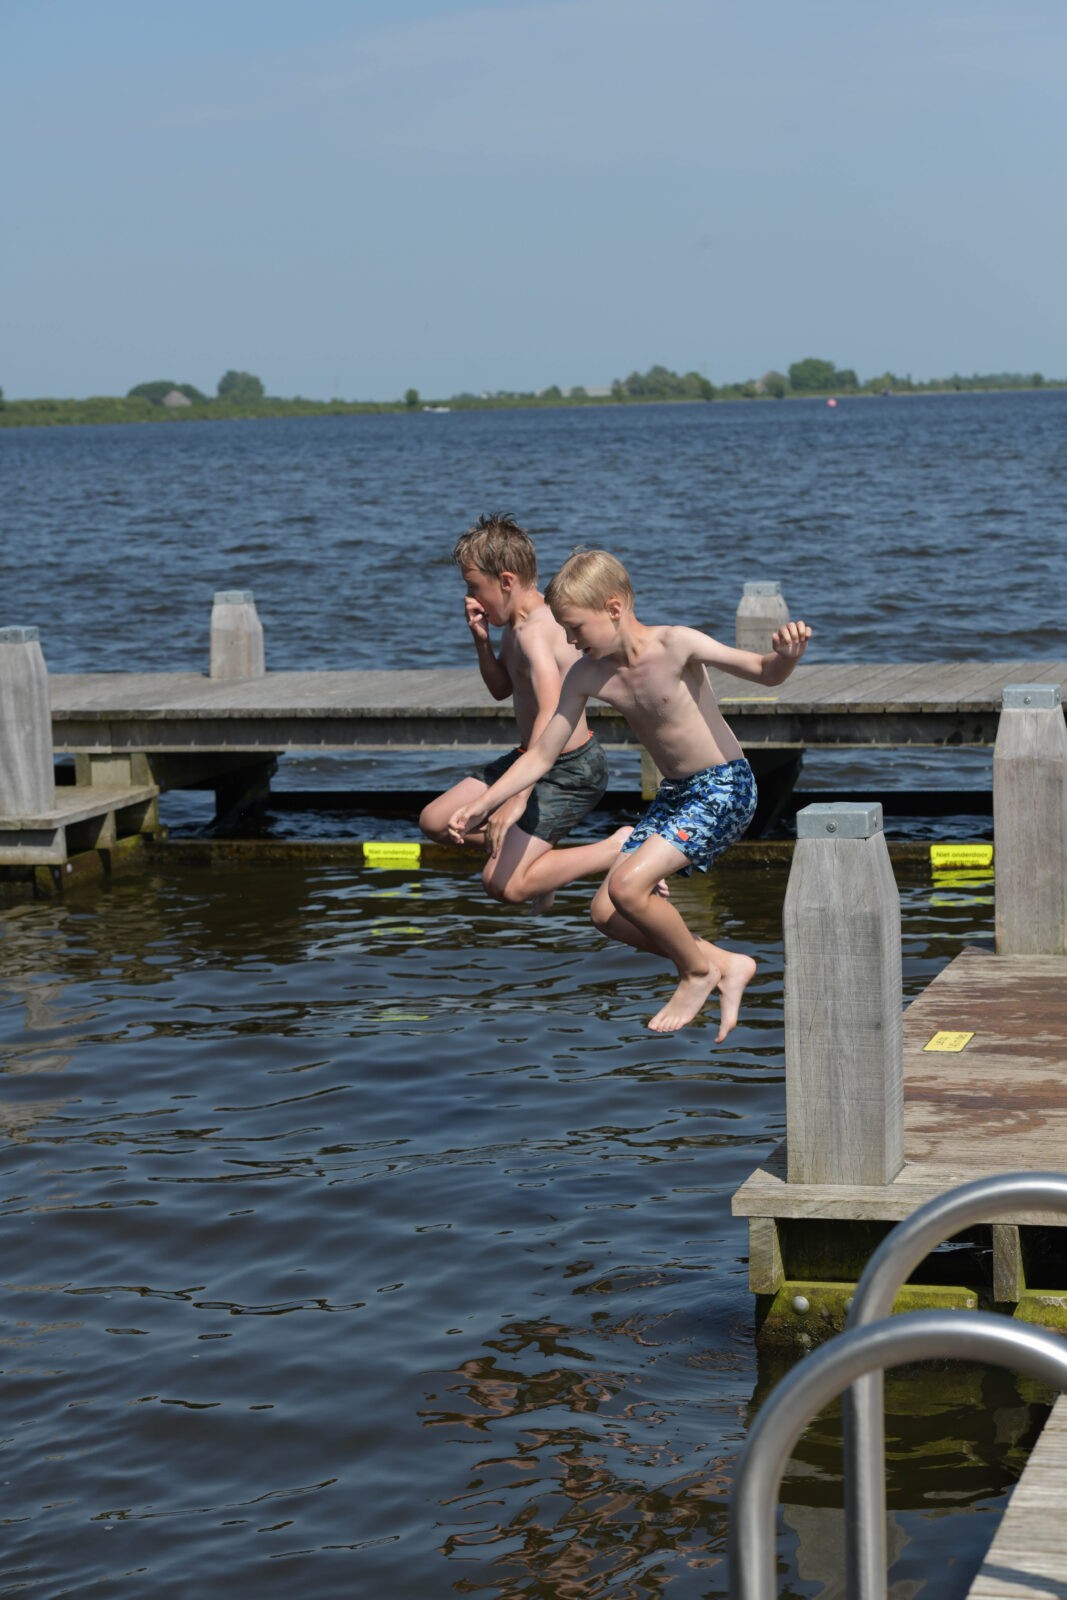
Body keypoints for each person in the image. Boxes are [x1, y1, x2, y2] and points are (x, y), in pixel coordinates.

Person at [449, 548, 812, 1038]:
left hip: (725, 786)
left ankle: (697, 972)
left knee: (625, 887)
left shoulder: (676, 644)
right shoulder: (588, 673)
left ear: (614, 609)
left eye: (576, 628)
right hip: (676, 795)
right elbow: (540, 755)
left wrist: (785, 657)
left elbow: (764, 670)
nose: (571, 641)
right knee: (606, 913)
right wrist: (485, 801)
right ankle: (724, 962)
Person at [419, 516, 632, 912]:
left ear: (505, 581)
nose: (469, 598)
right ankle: (542, 862)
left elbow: (551, 712)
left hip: (569, 769)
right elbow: (502, 689)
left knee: (503, 887)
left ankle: (617, 846)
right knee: (437, 821)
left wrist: (516, 798)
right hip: (528, 756)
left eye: (472, 587)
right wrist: (481, 642)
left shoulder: (539, 630)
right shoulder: (512, 626)